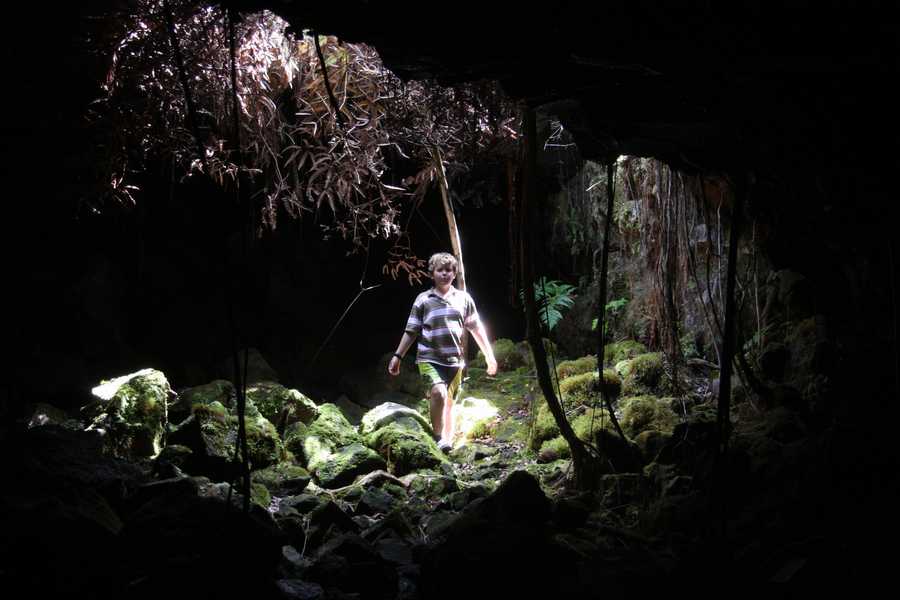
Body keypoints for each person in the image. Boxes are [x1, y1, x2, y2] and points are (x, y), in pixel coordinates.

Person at [387, 252, 498, 452]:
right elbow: (411, 331)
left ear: (454, 273)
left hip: (455, 361)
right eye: (440, 270)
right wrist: (398, 356)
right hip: (429, 358)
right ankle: (438, 437)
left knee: (449, 403)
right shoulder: (423, 299)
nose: (444, 273)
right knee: (438, 392)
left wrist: (489, 356)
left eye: (448, 270)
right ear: (432, 273)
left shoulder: (463, 299)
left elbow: (477, 329)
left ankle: (447, 443)